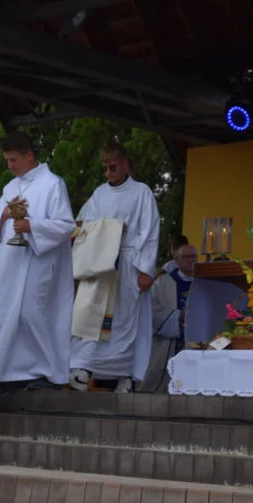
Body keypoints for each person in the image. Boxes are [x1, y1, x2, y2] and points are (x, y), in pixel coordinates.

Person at [0, 131, 76, 406]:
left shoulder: (53, 184)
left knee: (32, 315)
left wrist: (32, 226)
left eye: (14, 159)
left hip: (38, 263)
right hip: (10, 263)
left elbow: (65, 225)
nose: (10, 166)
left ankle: (46, 372)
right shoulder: (9, 188)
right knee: (3, 316)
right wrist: (5, 215)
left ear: (30, 155)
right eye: (7, 160)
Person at [69, 142, 161, 393]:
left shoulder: (142, 193)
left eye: (113, 167)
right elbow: (88, 226)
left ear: (125, 164)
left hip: (130, 263)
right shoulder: (99, 194)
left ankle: (127, 375)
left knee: (127, 321)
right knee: (93, 315)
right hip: (103, 264)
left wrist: (145, 270)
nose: (109, 172)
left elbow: (150, 231)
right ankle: (83, 366)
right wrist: (109, 230)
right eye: (105, 168)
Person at [140, 243, 197, 393]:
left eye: (194, 257)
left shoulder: (203, 283)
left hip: (196, 341)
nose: (191, 261)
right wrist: (178, 316)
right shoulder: (162, 283)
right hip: (170, 341)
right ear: (176, 261)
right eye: (186, 257)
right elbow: (151, 310)